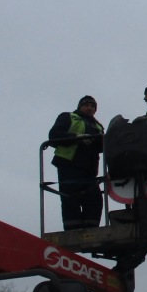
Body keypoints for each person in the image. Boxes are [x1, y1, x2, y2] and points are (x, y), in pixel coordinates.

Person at [48, 95, 105, 230]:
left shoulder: (98, 126)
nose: (89, 108)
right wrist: (76, 137)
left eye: (92, 106)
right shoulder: (68, 117)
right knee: (70, 199)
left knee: (94, 199)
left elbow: (102, 147)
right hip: (69, 166)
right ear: (80, 106)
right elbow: (54, 136)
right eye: (86, 105)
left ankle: (91, 230)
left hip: (89, 170)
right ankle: (72, 230)